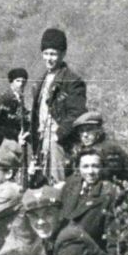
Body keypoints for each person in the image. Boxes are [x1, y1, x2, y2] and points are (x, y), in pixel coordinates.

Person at [28, 28, 87, 184]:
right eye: (46, 53)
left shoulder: (73, 81)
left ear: (63, 54)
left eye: (53, 54)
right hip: (41, 141)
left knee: (58, 183)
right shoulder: (40, 81)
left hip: (60, 143)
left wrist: (58, 134)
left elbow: (77, 113)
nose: (49, 58)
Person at [58, 149, 118, 251]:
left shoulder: (108, 193)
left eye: (95, 166)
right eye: (85, 166)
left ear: (102, 168)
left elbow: (112, 235)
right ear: (78, 168)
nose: (90, 172)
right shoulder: (69, 187)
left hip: (89, 251)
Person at [66, 111, 128, 188]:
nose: (85, 135)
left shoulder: (109, 149)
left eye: (89, 130)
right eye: (81, 131)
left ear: (99, 131)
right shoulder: (82, 149)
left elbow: (106, 176)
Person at [0, 68, 29, 144]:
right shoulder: (2, 97)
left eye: (23, 81)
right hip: (3, 139)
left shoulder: (20, 98)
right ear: (11, 82)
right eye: (18, 81)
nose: (21, 84)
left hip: (16, 139)